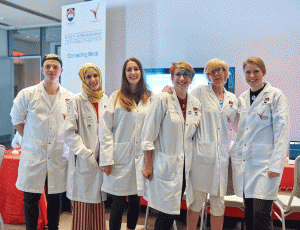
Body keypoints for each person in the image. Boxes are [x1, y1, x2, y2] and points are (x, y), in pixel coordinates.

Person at [10, 54, 73, 230]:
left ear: (61, 71)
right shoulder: (28, 94)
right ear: (42, 69)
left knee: (55, 197)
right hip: (34, 155)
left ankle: (53, 227)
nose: (51, 70)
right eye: (47, 67)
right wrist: (29, 140)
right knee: (31, 197)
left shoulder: (69, 97)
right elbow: (16, 119)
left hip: (58, 155)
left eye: (55, 67)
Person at [230, 57, 290, 230]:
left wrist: (276, 165)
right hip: (246, 166)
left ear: (263, 72)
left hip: (266, 166)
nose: (252, 75)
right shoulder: (242, 97)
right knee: (249, 212)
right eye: (248, 72)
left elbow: (282, 132)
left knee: (261, 214)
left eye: (256, 71)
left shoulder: (276, 96)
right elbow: (241, 131)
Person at [141, 62, 201, 230]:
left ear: (191, 79)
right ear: (172, 77)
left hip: (184, 168)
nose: (182, 78)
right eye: (178, 74)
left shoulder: (195, 103)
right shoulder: (163, 99)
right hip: (164, 165)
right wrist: (148, 164)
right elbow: (148, 135)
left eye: (186, 75)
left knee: (173, 211)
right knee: (166, 213)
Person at [99, 57, 152, 230]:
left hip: (141, 157)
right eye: (129, 70)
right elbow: (105, 130)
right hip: (120, 157)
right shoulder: (115, 97)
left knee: (136, 199)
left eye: (136, 69)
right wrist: (106, 159)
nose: (133, 73)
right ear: (124, 74)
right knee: (119, 201)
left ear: (140, 72)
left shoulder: (150, 97)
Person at [187, 58, 238, 230]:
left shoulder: (232, 99)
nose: (217, 74)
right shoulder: (199, 92)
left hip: (221, 158)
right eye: (213, 71)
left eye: (220, 70)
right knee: (196, 202)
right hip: (201, 157)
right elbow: (184, 109)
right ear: (207, 75)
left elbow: (237, 124)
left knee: (218, 204)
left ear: (226, 74)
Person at [64, 63, 108, 229]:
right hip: (83, 161)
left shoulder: (106, 99)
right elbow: (69, 133)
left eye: (95, 76)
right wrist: (86, 154)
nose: (92, 80)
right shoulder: (76, 101)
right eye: (88, 77)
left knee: (98, 207)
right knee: (82, 209)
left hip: (101, 160)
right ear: (83, 79)